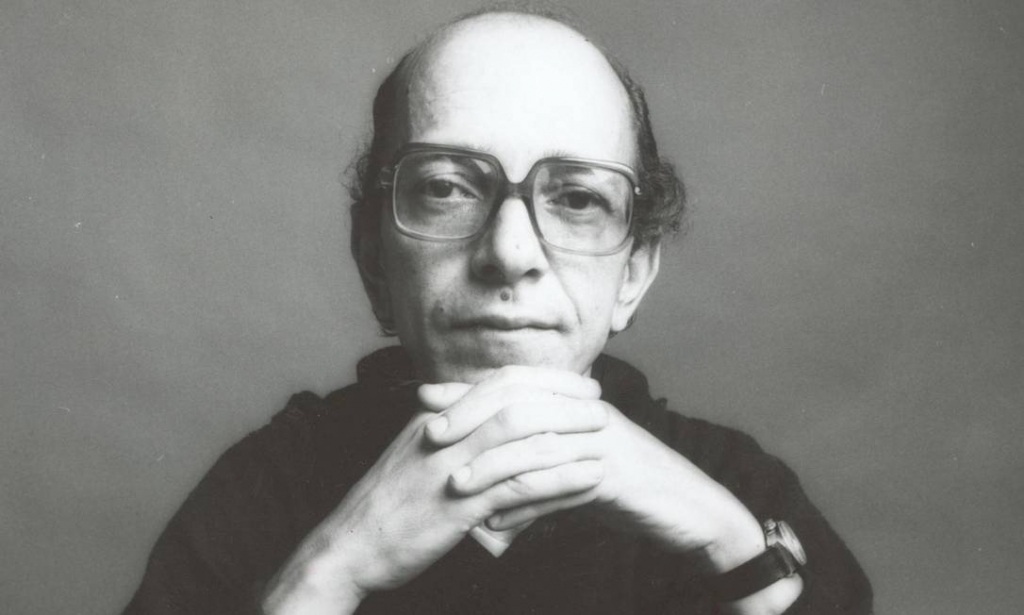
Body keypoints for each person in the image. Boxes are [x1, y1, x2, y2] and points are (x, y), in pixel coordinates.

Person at [125, 9, 872, 615]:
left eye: (577, 198)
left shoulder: (738, 486)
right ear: (374, 260)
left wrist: (733, 546)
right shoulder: (267, 486)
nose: (510, 253)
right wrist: (334, 569)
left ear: (634, 274)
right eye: (446, 188)